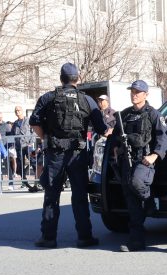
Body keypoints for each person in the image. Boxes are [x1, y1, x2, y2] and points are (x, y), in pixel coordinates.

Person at [29, 62, 112, 248]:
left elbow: (34, 122)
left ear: (61, 78)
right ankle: (84, 237)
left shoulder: (48, 98)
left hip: (55, 154)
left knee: (51, 196)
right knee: (80, 196)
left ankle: (48, 238)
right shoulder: (87, 100)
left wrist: (46, 139)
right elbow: (102, 129)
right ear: (78, 79)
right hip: (78, 154)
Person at [113, 79, 167, 252]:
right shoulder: (124, 116)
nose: (134, 94)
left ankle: (149, 200)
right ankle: (136, 241)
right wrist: (115, 148)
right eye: (132, 91)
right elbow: (116, 136)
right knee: (131, 200)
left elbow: (164, 138)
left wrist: (155, 155)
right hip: (126, 161)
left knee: (136, 183)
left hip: (144, 161)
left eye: (137, 92)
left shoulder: (153, 114)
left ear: (146, 94)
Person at [10, 106, 35, 189]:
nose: (17, 112)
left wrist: (31, 143)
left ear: (22, 111)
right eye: (16, 111)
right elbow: (13, 134)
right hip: (19, 147)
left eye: (19, 110)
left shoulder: (28, 120)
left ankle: (38, 180)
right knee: (20, 164)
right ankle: (24, 181)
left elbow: (34, 131)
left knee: (33, 161)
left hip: (28, 146)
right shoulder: (15, 123)